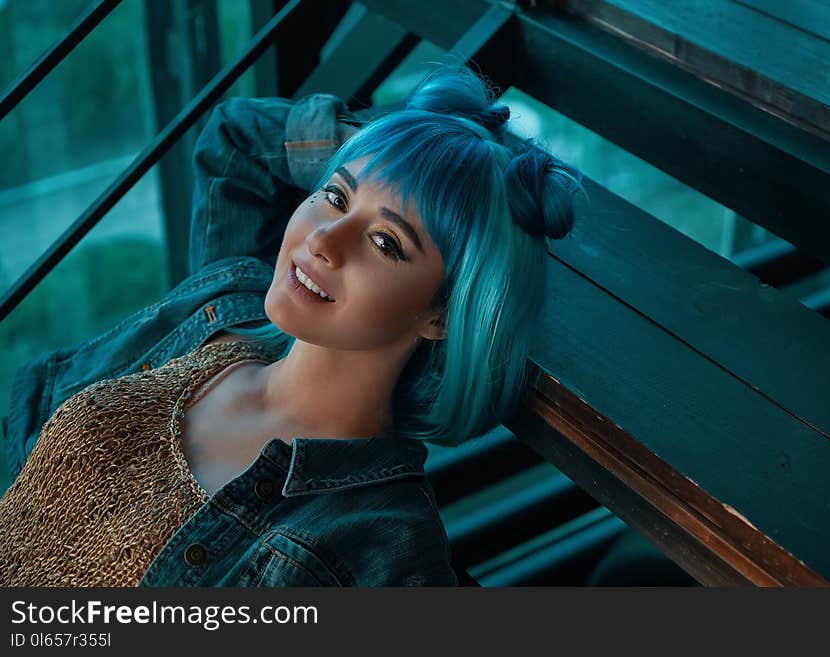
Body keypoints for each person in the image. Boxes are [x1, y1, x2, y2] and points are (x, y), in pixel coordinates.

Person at [0, 63, 586, 587]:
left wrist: (441, 174)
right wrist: (419, 147)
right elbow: (240, 139)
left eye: (386, 241)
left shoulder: (379, 550)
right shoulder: (225, 306)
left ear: (441, 313)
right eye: (334, 195)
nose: (323, 240)